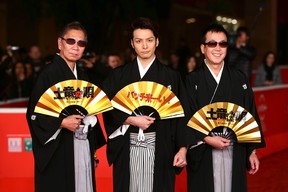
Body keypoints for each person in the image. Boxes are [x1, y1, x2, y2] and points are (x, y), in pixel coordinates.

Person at [102, 17, 191, 192]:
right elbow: (106, 107)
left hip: (162, 147)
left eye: (149, 40)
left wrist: (182, 150)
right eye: (139, 41)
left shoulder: (171, 77)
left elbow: (182, 115)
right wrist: (130, 120)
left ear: (157, 42)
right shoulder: (118, 76)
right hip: (127, 145)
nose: (144, 46)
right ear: (132, 44)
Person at [26, 21, 106, 192]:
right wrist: (61, 123)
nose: (75, 47)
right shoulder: (48, 75)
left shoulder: (83, 74)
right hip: (59, 149)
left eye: (81, 43)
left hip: (83, 144)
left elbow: (90, 108)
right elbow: (34, 114)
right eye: (70, 41)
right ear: (59, 43)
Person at [185, 23, 266, 192]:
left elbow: (249, 113)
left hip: (234, 147)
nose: (217, 48)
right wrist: (207, 138)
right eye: (212, 44)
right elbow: (186, 116)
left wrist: (252, 151)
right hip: (203, 149)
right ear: (202, 48)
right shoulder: (191, 81)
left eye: (222, 44)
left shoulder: (239, 79)